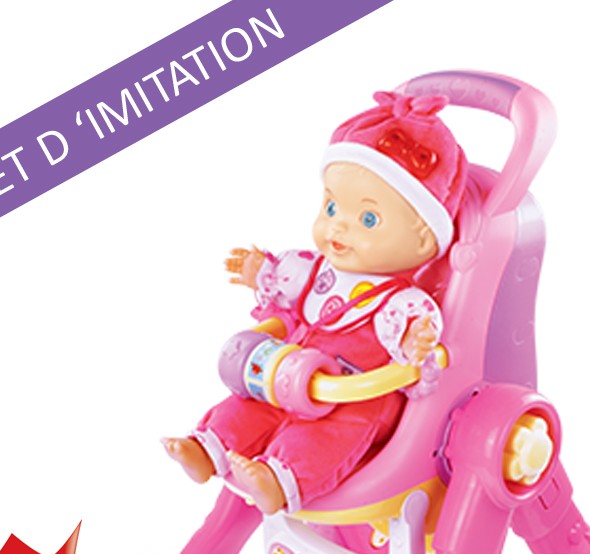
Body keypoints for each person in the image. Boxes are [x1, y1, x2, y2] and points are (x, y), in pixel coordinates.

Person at [163, 91, 467, 514]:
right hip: (292, 376)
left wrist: (415, 340)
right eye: (331, 206)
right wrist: (260, 271)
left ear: (422, 241)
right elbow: (287, 284)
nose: (337, 226)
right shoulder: (316, 269)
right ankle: (208, 447)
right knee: (249, 405)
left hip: (354, 398)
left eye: (368, 219)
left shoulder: (400, 301)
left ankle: (280, 478)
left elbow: (416, 335)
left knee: (327, 437)